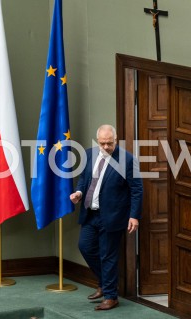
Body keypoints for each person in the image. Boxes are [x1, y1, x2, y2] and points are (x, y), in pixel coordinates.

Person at [69, 124, 143, 311]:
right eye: (102, 143)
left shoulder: (127, 160)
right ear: (98, 141)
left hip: (113, 216)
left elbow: (136, 190)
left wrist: (134, 216)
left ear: (116, 140)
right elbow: (85, 179)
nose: (106, 147)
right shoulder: (89, 154)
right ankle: (105, 283)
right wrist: (78, 192)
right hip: (90, 213)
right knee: (85, 247)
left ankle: (111, 296)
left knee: (108, 255)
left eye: (109, 143)